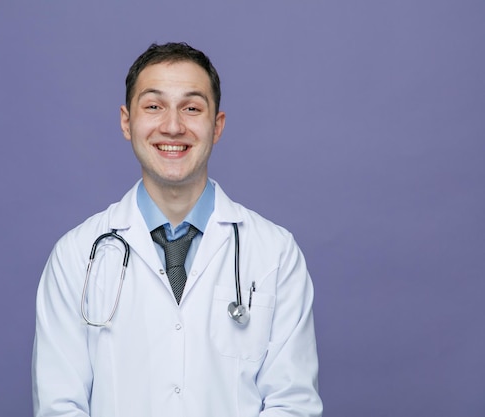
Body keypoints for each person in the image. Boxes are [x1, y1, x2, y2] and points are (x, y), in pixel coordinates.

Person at [32, 42, 322, 417]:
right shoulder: (76, 255)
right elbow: (59, 406)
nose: (172, 126)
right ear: (126, 122)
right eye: (154, 106)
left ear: (216, 126)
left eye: (192, 108)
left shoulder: (275, 253)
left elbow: (292, 403)